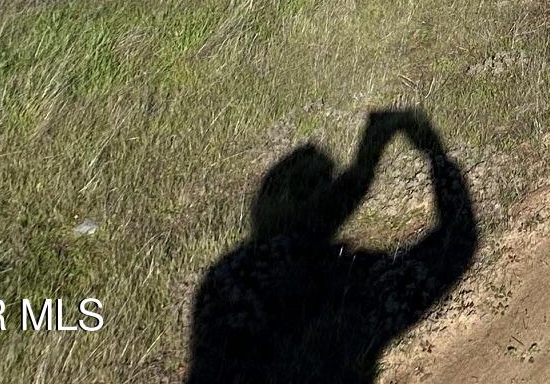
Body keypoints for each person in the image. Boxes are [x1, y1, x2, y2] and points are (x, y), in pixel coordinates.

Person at [188, 108, 477, 383]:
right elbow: (457, 242)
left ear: (263, 207)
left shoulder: (225, 281)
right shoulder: (346, 280)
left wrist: (363, 168)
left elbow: (314, 221)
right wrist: (436, 155)